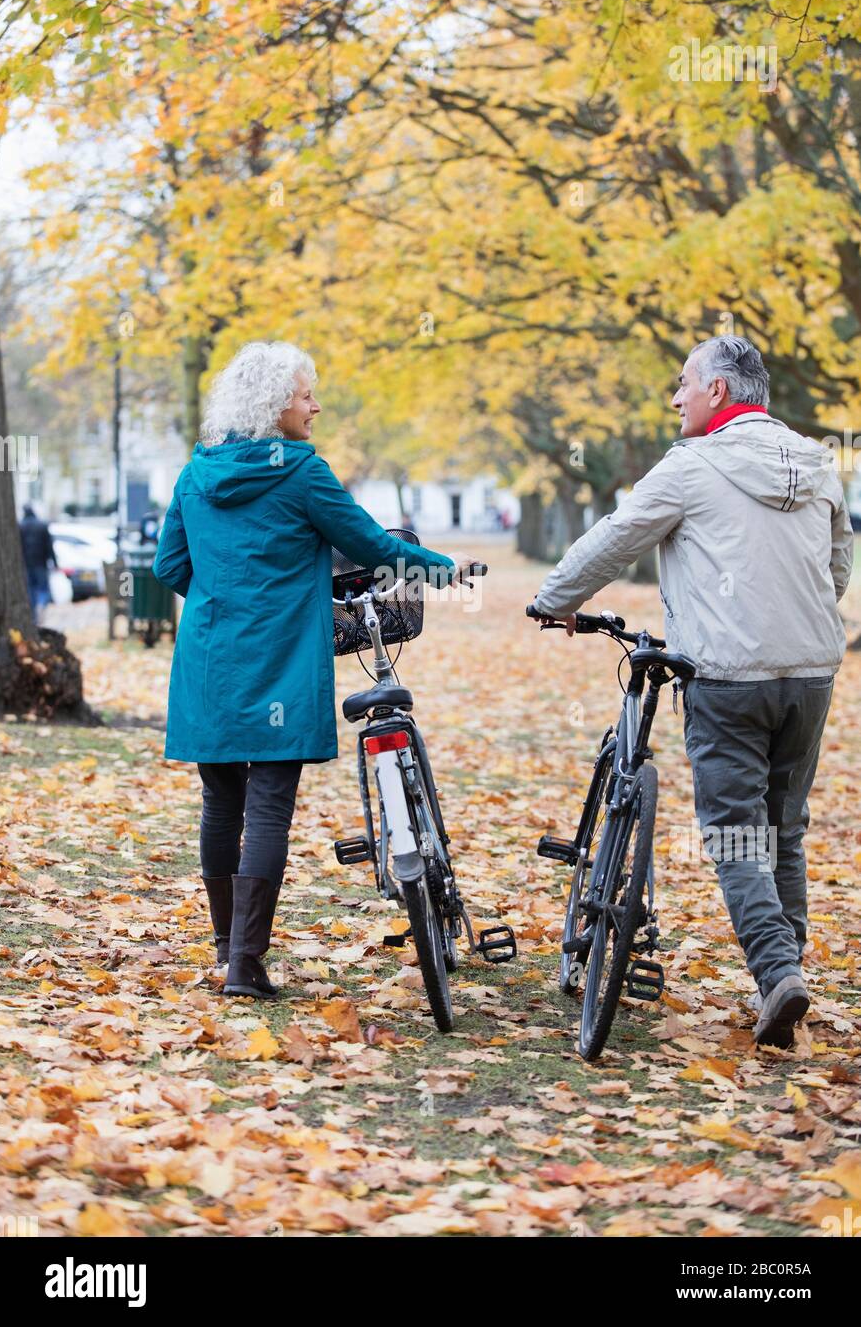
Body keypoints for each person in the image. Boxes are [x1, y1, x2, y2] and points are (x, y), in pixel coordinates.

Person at [531, 335, 854, 1049]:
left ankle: (777, 975)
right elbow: (836, 569)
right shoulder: (817, 464)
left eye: (684, 383)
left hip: (729, 680)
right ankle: (786, 969)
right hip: (809, 673)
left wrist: (552, 598)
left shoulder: (692, 465)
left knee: (738, 833)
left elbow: (617, 538)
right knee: (784, 829)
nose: (675, 397)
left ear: (717, 393)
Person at [153, 341, 477, 1000]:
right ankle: (246, 963)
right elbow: (376, 549)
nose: (316, 405)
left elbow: (168, 567)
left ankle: (227, 950)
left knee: (222, 801)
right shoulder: (302, 471)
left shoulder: (195, 474)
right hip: (279, 659)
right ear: (276, 405)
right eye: (307, 394)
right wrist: (453, 572)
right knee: (269, 804)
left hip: (211, 660)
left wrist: (226, 595)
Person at [19, 503, 57, 621]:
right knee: (43, 588)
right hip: (41, 563)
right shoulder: (42, 525)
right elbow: (49, 545)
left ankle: (34, 613)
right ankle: (42, 604)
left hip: (27, 563)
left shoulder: (20, 526)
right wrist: (55, 562)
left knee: (31, 589)